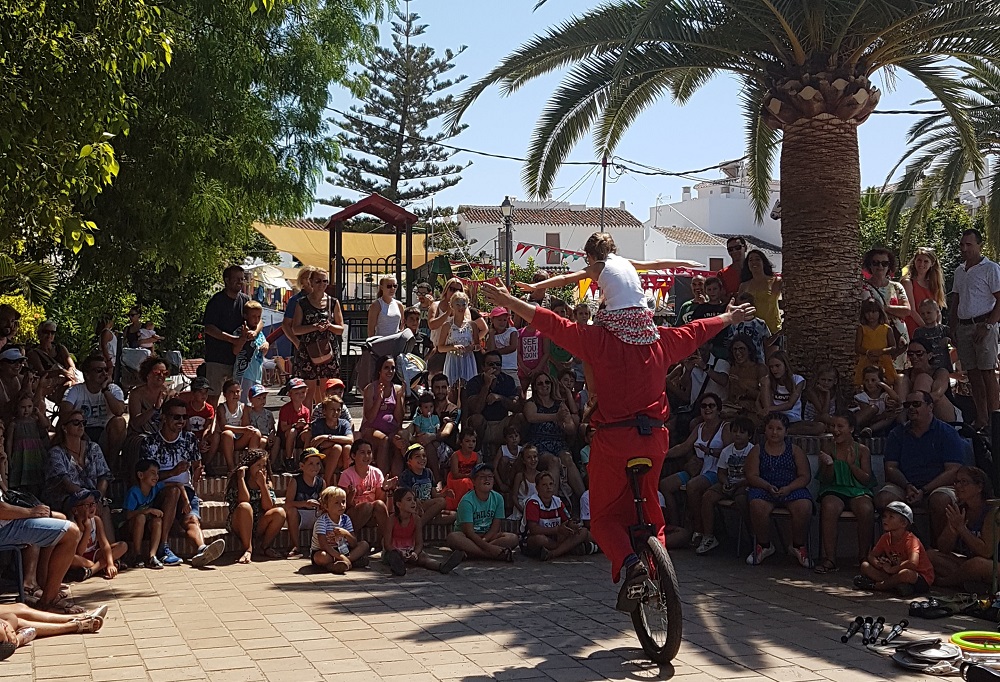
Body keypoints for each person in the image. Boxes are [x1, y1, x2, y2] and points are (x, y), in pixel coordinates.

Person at [480, 279, 753, 611]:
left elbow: (550, 323)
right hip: (653, 440)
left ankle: (631, 564)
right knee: (652, 512)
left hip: (613, 441)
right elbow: (698, 329)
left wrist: (511, 301)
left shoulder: (597, 340)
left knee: (604, 517)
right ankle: (657, 568)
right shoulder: (662, 340)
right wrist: (729, 317)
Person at [516, 232, 699, 346]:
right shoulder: (626, 261)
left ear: (590, 255)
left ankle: (593, 388)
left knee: (591, 342)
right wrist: (683, 262)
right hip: (644, 316)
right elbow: (656, 263)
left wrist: (535, 286)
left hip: (621, 316)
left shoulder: (597, 267)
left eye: (587, 258)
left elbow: (565, 279)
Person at [139, 398, 225, 568]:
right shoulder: (150, 442)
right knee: (173, 492)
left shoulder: (189, 439)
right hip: (159, 491)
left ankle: (202, 550)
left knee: (192, 520)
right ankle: (163, 548)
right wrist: (173, 473)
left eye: (184, 418)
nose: (181, 422)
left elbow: (195, 464)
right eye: (176, 417)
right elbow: (146, 478)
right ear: (164, 417)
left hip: (185, 490)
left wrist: (197, 473)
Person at [875, 390, 968, 545]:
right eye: (907, 405)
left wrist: (924, 490)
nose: (911, 408)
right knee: (884, 499)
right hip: (905, 486)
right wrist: (907, 486)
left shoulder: (947, 433)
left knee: (941, 500)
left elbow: (953, 470)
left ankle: (940, 552)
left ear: (930, 407)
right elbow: (890, 467)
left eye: (916, 404)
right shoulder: (897, 434)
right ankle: (906, 547)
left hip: (938, 486)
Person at [744, 413, 814, 568]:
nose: (774, 432)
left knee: (804, 506)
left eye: (779, 429)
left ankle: (797, 545)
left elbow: (804, 475)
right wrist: (767, 486)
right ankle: (764, 545)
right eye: (770, 428)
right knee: (757, 505)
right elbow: (752, 475)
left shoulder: (795, 450)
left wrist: (789, 488)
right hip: (765, 487)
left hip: (791, 488)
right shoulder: (757, 450)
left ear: (786, 431)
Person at [0, 488, 82, 614]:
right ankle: (47, 601)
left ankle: (43, 587)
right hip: (4, 527)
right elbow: (1, 510)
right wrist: (30, 511)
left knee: (61, 519)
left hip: (8, 522)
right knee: (71, 532)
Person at [659, 393, 728, 538]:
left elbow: (730, 451)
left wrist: (711, 451)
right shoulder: (699, 428)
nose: (707, 409)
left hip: (716, 471)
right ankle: (676, 526)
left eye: (711, 406)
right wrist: (662, 454)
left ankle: (699, 528)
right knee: (665, 485)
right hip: (699, 470)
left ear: (718, 409)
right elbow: (684, 447)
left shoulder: (725, 428)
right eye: (704, 406)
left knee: (692, 486)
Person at [950, 229, 1000, 429]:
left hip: (983, 324)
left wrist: (988, 325)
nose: (964, 249)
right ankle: (982, 418)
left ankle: (995, 419)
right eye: (962, 244)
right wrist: (951, 326)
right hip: (963, 325)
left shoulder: (991, 268)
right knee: (972, 374)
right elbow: (956, 300)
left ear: (979, 245)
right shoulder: (959, 271)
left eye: (969, 244)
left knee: (988, 372)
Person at [814, 412, 875, 574]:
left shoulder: (862, 450)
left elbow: (866, 480)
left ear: (851, 429)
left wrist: (852, 465)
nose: (835, 430)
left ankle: (863, 557)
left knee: (866, 509)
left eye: (840, 426)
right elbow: (826, 480)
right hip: (834, 488)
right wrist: (829, 465)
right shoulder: (828, 448)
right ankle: (830, 559)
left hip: (857, 489)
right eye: (833, 426)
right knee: (829, 506)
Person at [43, 410, 113, 534]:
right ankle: (78, 549)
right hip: (66, 497)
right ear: (64, 428)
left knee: (104, 509)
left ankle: (109, 550)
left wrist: (98, 497)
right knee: (80, 508)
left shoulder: (93, 448)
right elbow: (65, 482)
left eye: (83, 422)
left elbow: (104, 476)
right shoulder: (56, 452)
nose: (81, 426)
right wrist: (87, 498)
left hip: (93, 496)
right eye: (76, 422)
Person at [928, 466, 998, 588]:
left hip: (992, 565)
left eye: (964, 482)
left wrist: (961, 528)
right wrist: (952, 529)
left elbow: (986, 552)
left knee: (977, 565)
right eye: (956, 482)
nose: (958, 486)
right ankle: (969, 583)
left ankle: (945, 582)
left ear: (979, 487)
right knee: (931, 555)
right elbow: (943, 549)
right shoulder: (961, 510)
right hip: (968, 564)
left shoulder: (992, 511)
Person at [695, 415, 755, 555]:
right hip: (729, 482)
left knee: (742, 500)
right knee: (708, 497)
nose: (737, 435)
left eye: (742, 432)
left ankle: (753, 535)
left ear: (750, 435)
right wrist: (725, 482)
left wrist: (739, 484)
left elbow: (753, 475)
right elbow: (721, 472)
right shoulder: (726, 451)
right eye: (734, 431)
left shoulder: (753, 451)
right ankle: (709, 536)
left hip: (745, 484)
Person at [202, 265, 261, 403]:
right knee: (213, 397)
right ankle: (212, 424)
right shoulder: (216, 301)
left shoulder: (246, 300)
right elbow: (209, 328)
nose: (241, 282)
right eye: (237, 279)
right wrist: (232, 339)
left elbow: (259, 319)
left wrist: (255, 331)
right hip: (217, 358)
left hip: (239, 361)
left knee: (236, 399)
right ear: (227, 280)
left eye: (242, 279)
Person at [60, 355, 127, 470]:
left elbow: (119, 411)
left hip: (105, 434)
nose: (104, 374)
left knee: (119, 422)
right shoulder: (75, 391)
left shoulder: (114, 389)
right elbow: (64, 414)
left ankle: (111, 467)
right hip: (81, 434)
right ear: (87, 374)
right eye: (99, 370)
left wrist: (105, 390)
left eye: (106, 370)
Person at [854, 501, 934, 596]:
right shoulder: (885, 537)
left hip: (918, 577)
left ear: (903, 523)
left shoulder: (911, 540)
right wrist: (879, 563)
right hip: (894, 574)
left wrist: (892, 569)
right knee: (865, 566)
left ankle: (878, 586)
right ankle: (897, 586)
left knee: (906, 574)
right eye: (884, 516)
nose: (885, 520)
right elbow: (872, 555)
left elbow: (913, 563)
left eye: (891, 517)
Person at [291, 268, 345, 406]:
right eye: (318, 281)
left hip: (328, 351)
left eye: (325, 281)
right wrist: (314, 327)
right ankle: (309, 424)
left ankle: (324, 422)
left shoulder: (333, 302)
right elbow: (295, 329)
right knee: (308, 392)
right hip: (308, 351)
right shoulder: (302, 303)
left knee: (327, 390)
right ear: (311, 283)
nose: (322, 284)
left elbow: (340, 329)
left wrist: (329, 326)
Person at [382, 487, 465, 576]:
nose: (413, 502)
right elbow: (387, 544)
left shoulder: (416, 519)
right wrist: (399, 552)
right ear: (399, 504)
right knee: (393, 556)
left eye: (414, 499)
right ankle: (398, 568)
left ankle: (441, 566)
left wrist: (415, 553)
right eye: (409, 500)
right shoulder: (391, 520)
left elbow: (419, 543)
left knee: (424, 557)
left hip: (410, 549)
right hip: (394, 551)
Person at [446, 463, 519, 561]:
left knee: (513, 538)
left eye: (490, 477)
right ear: (474, 482)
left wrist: (485, 542)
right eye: (482, 477)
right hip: (468, 537)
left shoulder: (498, 498)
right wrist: (489, 548)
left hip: (488, 536)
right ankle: (492, 554)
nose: (487, 479)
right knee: (453, 537)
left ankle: (472, 553)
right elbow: (469, 532)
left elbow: (495, 528)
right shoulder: (467, 501)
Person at [226, 449, 285, 563]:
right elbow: (244, 500)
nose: (261, 469)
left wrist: (263, 486)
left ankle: (264, 547)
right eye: (258, 465)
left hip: (258, 523)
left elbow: (268, 507)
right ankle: (248, 549)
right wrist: (241, 479)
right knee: (245, 507)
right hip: (239, 523)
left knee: (280, 512)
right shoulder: (238, 480)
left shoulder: (266, 483)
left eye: (264, 466)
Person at [520, 470, 595, 560]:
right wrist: (557, 530)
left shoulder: (557, 501)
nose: (549, 487)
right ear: (537, 488)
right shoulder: (533, 503)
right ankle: (567, 548)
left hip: (555, 537)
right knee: (540, 539)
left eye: (551, 484)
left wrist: (572, 526)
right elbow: (533, 529)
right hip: (533, 539)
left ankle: (554, 553)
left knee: (583, 532)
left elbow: (567, 521)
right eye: (544, 485)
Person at [860, 247, 910, 368]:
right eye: (875, 263)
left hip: (899, 337)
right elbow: (869, 313)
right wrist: (894, 310)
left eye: (884, 263)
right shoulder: (864, 287)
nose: (880, 266)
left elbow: (907, 310)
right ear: (869, 265)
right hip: (876, 338)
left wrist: (884, 308)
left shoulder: (897, 286)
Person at [465, 350, 521, 458]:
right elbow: (476, 409)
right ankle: (477, 452)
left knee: (520, 417)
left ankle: (512, 453)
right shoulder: (474, 382)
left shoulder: (508, 380)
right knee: (476, 418)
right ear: (483, 367)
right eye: (491, 364)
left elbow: (516, 407)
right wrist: (486, 386)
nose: (495, 367)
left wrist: (500, 398)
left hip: (501, 425)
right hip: (482, 426)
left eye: (498, 364)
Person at [122, 356, 172, 470]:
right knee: (145, 443)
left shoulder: (169, 394)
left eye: (165, 373)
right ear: (148, 374)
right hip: (138, 436)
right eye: (157, 372)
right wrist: (154, 409)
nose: (161, 376)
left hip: (161, 436)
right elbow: (135, 423)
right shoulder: (136, 394)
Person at [66, 489, 127, 581]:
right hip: (81, 559)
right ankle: (101, 566)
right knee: (70, 558)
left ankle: (92, 570)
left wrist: (110, 563)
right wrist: (87, 530)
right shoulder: (73, 526)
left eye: (93, 503)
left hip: (95, 554)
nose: (92, 507)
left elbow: (104, 544)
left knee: (123, 546)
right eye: (87, 505)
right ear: (75, 510)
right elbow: (79, 552)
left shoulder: (96, 520)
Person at [358, 356, 404, 476]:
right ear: (379, 370)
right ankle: (382, 480)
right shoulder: (370, 389)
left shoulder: (397, 389)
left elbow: (399, 420)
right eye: (386, 368)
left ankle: (396, 480)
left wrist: (399, 399)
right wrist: (379, 398)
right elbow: (370, 418)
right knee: (384, 440)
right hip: (371, 429)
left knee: (399, 443)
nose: (390, 371)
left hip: (392, 429)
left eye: (392, 368)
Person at [310, 485, 370, 573]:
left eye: (343, 502)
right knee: (321, 557)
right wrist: (340, 556)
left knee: (364, 545)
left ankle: (345, 562)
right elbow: (324, 545)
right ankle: (336, 564)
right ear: (326, 506)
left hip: (343, 549)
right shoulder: (322, 522)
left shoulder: (346, 519)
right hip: (326, 551)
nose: (341, 505)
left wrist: (346, 534)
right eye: (336, 503)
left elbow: (353, 543)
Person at [338, 439, 389, 541]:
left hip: (372, 513)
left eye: (369, 453)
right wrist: (351, 495)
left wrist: (384, 488)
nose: (366, 456)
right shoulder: (346, 475)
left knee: (378, 504)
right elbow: (343, 505)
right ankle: (351, 538)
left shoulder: (377, 472)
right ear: (353, 456)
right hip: (353, 514)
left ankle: (384, 541)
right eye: (362, 453)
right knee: (367, 506)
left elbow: (380, 500)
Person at [121, 459, 165, 569]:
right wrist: (147, 511)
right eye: (152, 473)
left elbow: (174, 484)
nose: (156, 476)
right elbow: (127, 515)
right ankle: (137, 555)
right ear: (140, 475)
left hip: (146, 526)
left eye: (157, 473)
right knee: (140, 518)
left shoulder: (155, 488)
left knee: (158, 520)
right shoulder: (134, 492)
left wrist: (184, 495)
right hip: (130, 527)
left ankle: (152, 556)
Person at [283, 448, 325, 559]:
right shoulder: (295, 481)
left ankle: (326, 545)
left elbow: (325, 501)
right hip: (300, 516)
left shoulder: (321, 482)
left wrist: (321, 503)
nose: (315, 467)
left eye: (317, 464)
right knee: (291, 511)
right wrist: (304, 504)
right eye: (310, 463)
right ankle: (295, 546)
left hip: (315, 515)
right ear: (302, 466)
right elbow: (288, 504)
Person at [5, 394, 49, 494]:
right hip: (20, 454)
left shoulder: (35, 420)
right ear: (17, 408)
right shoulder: (14, 424)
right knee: (23, 478)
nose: (26, 410)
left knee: (37, 477)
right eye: (23, 407)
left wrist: (39, 413)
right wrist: (9, 456)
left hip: (35, 453)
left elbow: (46, 425)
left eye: (29, 407)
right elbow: (9, 441)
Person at [215, 379, 261, 473]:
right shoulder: (222, 408)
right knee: (228, 433)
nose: (235, 395)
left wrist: (246, 430)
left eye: (237, 392)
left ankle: (250, 464)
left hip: (239, 441)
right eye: (232, 392)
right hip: (225, 441)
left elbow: (246, 425)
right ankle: (231, 467)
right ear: (224, 394)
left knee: (256, 432)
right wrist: (243, 430)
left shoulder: (243, 407)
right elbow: (223, 426)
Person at [901, 246, 948, 336]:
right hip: (914, 329)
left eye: (926, 261)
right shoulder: (908, 282)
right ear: (914, 261)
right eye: (919, 260)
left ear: (932, 264)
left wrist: (937, 327)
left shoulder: (933, 284)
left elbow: (937, 310)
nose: (921, 264)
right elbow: (912, 311)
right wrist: (927, 329)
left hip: (932, 330)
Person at [398, 444, 448, 524]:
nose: (422, 459)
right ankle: (420, 525)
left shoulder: (429, 473)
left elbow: (434, 494)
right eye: (417, 456)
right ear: (409, 461)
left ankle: (423, 520)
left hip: (427, 505)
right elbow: (403, 495)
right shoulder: (406, 475)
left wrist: (445, 493)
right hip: (414, 505)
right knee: (441, 502)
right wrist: (415, 499)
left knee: (453, 514)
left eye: (424, 456)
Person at [27, 320, 75, 404]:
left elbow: (71, 366)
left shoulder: (61, 348)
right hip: (50, 387)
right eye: (46, 332)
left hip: (68, 380)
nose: (49, 335)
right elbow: (42, 373)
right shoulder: (34, 353)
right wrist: (61, 372)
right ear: (39, 333)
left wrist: (69, 375)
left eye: (52, 333)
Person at [308, 394, 353, 484]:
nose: (335, 413)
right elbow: (320, 445)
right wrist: (339, 441)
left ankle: (346, 478)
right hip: (324, 458)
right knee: (337, 448)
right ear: (324, 411)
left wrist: (327, 437)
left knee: (347, 447)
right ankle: (326, 481)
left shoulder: (344, 423)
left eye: (338, 410)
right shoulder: (318, 424)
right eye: (332, 409)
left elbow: (350, 440)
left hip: (341, 460)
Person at [855, 299, 901, 386]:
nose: (870, 315)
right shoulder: (862, 329)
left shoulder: (887, 329)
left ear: (880, 312)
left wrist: (882, 351)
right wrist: (868, 352)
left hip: (884, 362)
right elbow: (857, 347)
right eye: (867, 312)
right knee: (865, 384)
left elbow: (893, 347)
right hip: (867, 361)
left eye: (874, 312)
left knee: (886, 383)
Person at [438, 291, 477, 388]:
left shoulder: (472, 325)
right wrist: (453, 347)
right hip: (452, 360)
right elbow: (440, 348)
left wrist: (470, 348)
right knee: (452, 388)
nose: (461, 307)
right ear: (452, 306)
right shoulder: (447, 326)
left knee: (468, 388)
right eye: (458, 304)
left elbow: (477, 345)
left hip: (468, 360)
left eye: (463, 304)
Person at [738, 249, 782, 335]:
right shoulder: (743, 286)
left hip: (773, 330)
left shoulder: (776, 281)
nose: (754, 262)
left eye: (757, 259)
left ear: (763, 262)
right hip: (751, 331)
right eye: (750, 260)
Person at [232, 300, 268, 401]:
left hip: (257, 373)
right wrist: (243, 338)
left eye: (258, 317)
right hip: (245, 374)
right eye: (253, 316)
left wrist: (266, 346)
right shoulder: (240, 331)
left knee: (255, 402)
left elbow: (264, 348)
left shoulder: (259, 333)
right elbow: (235, 351)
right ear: (246, 316)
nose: (256, 320)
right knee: (244, 402)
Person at [720, 336, 764, 418]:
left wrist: (741, 385)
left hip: (755, 410)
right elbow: (731, 396)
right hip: (737, 409)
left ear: (749, 351)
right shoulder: (733, 369)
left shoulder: (759, 368)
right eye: (735, 349)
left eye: (741, 349)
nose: (737, 352)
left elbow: (764, 396)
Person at [758, 351, 805, 426]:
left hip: (793, 419)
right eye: (771, 367)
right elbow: (764, 404)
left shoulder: (798, 380)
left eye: (777, 366)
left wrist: (770, 409)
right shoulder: (768, 381)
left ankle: (784, 430)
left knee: (819, 427)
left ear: (785, 366)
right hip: (774, 418)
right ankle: (781, 429)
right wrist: (765, 385)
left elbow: (790, 405)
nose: (774, 370)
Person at [853, 366, 901, 436]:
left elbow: (896, 399)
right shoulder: (862, 397)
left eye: (873, 380)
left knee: (892, 416)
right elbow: (867, 418)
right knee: (873, 408)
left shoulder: (883, 396)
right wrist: (882, 416)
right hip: (865, 422)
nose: (869, 383)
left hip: (877, 423)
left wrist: (884, 386)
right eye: (867, 380)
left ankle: (870, 430)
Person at [280, 265, 318, 354]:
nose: (310, 280)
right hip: (302, 344)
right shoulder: (295, 300)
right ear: (301, 281)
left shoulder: (322, 298)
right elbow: (286, 325)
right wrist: (296, 342)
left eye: (312, 277)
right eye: (307, 277)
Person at [180, 377, 217, 461]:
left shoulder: (209, 408)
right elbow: (187, 428)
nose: (204, 395)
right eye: (200, 392)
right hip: (189, 437)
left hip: (203, 437)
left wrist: (203, 440)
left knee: (214, 438)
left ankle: (207, 463)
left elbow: (208, 428)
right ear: (193, 393)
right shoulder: (187, 408)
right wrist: (196, 442)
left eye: (206, 392)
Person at [443, 430, 479, 512]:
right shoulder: (456, 455)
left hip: (471, 479)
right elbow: (455, 474)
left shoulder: (477, 456)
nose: (471, 444)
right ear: (461, 442)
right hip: (456, 480)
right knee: (467, 482)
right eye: (467, 441)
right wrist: (468, 476)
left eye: (473, 441)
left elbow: (479, 470)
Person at [912, 299, 952, 372]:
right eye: (922, 314)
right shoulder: (918, 332)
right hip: (926, 368)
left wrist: (949, 340)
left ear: (937, 312)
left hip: (943, 367)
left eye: (928, 313)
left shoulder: (944, 330)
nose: (926, 316)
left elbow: (956, 344)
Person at [245, 384, 279, 468]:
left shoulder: (268, 414)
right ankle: (258, 461)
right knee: (263, 441)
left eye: (264, 398)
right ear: (251, 400)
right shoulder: (250, 413)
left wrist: (272, 435)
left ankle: (271, 463)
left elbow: (272, 428)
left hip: (268, 436)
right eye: (258, 398)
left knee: (277, 440)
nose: (262, 401)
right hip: (257, 438)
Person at [508, 445, 541, 520]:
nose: (533, 460)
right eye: (529, 457)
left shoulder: (540, 476)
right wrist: (522, 511)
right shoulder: (520, 476)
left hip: (537, 508)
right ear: (523, 460)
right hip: (521, 508)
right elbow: (514, 497)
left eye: (535, 456)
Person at [486, 307, 518, 382]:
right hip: (495, 368)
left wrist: (496, 352)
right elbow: (490, 351)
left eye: (504, 320)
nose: (502, 322)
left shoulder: (512, 331)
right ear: (492, 320)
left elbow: (513, 347)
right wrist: (491, 335)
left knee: (516, 388)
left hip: (510, 367)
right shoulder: (490, 336)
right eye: (499, 320)